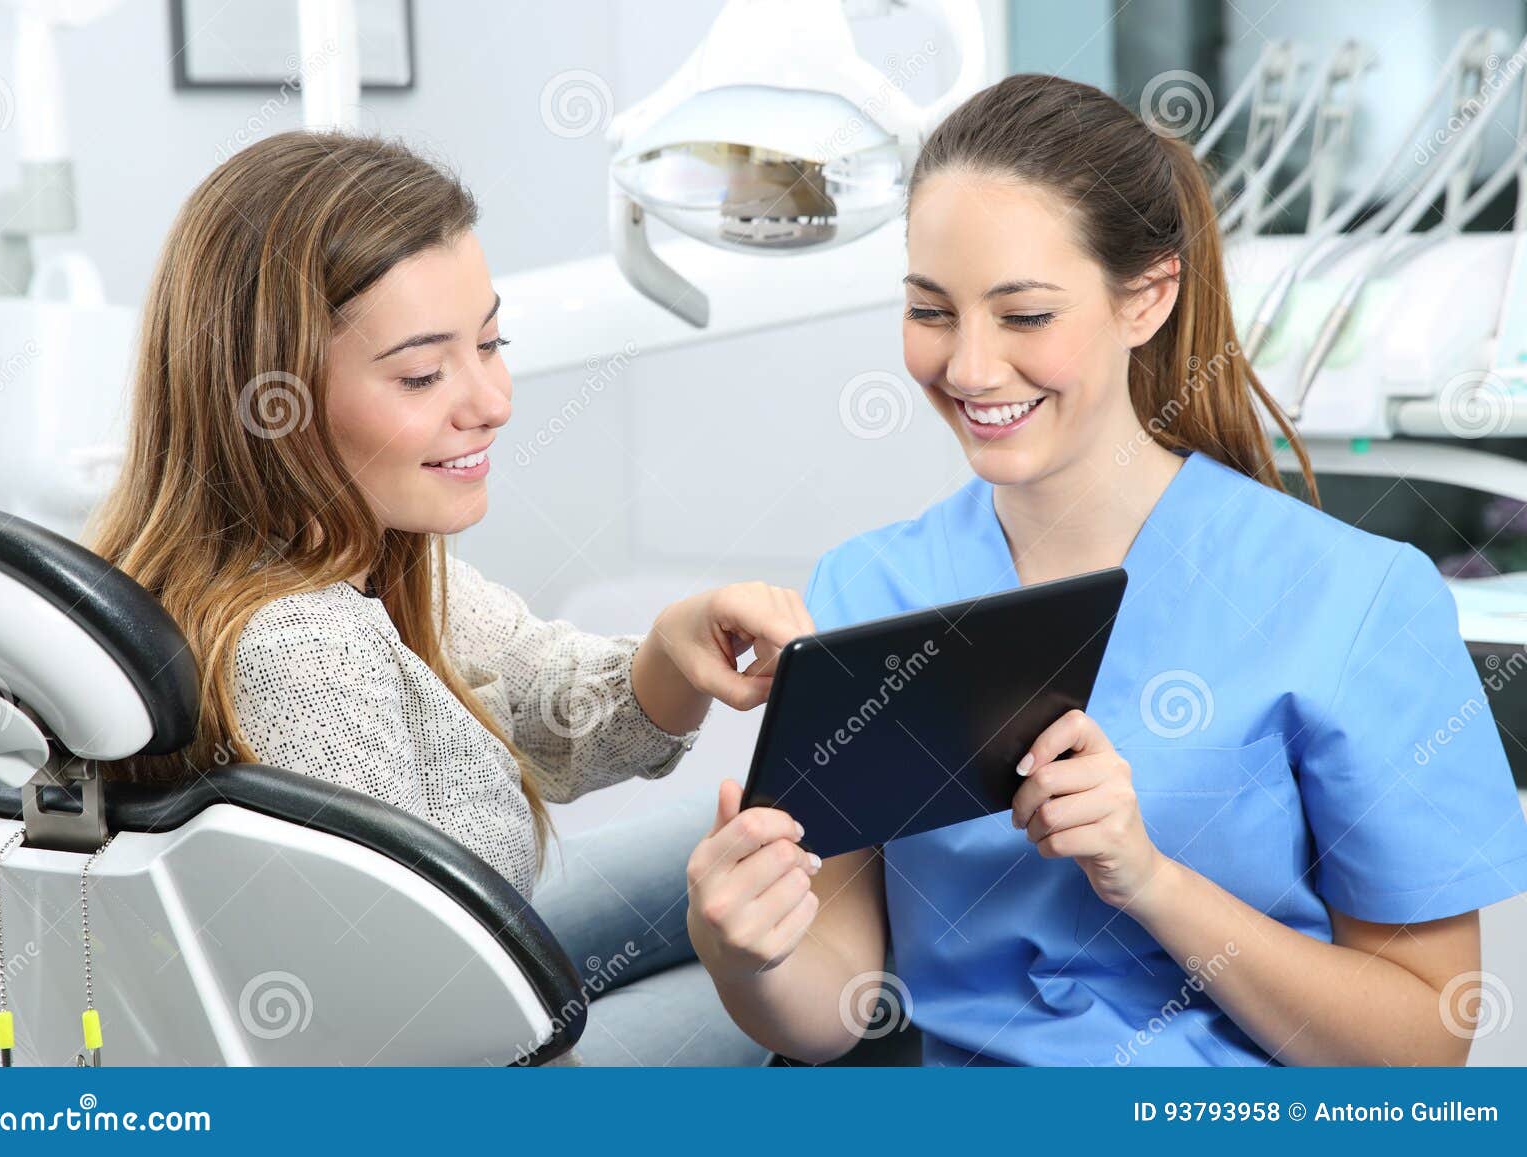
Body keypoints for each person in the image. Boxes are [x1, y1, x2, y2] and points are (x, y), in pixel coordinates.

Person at [684, 74, 1527, 1067]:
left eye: (1025, 316)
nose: (968, 368)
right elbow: (834, 1008)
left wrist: (1148, 879)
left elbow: (1419, 1049)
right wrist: (745, 952)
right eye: (929, 310)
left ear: (1146, 297)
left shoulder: (1352, 598)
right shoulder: (869, 590)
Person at [86, 130, 812, 1063]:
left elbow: (540, 704)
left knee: (761, 837)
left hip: (457, 988)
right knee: (791, 988)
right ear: (273, 401)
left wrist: (667, 656)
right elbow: (404, 1032)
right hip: (445, 1068)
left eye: (490, 343)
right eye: (424, 374)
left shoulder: (345, 556)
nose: (493, 400)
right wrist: (762, 991)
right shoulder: (304, 648)